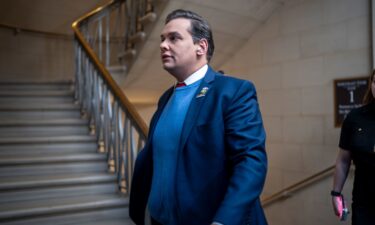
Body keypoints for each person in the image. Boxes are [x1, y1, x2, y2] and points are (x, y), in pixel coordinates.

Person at [129, 9, 268, 225]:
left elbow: (250, 162)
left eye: (174, 38)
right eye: (163, 39)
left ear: (201, 47)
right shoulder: (166, 97)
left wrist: (223, 221)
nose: (163, 45)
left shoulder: (233, 91)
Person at [332, 70, 375, 225]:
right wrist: (336, 193)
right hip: (364, 205)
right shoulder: (355, 118)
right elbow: (343, 160)